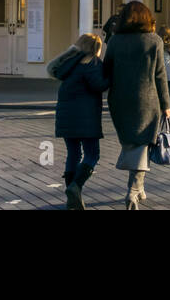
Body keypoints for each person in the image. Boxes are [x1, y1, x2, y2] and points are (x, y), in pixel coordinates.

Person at [102, 1, 170, 209]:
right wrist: (166, 104)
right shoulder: (154, 41)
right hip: (146, 100)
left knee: (133, 143)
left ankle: (139, 187)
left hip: (119, 100)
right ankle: (133, 190)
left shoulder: (115, 41)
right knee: (142, 144)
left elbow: (106, 71)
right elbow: (160, 75)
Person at [48, 33, 109, 210]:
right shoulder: (92, 63)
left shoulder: (69, 64)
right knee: (92, 154)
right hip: (86, 117)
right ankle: (76, 187)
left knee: (73, 154)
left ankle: (71, 196)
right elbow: (99, 85)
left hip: (66, 117)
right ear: (96, 48)